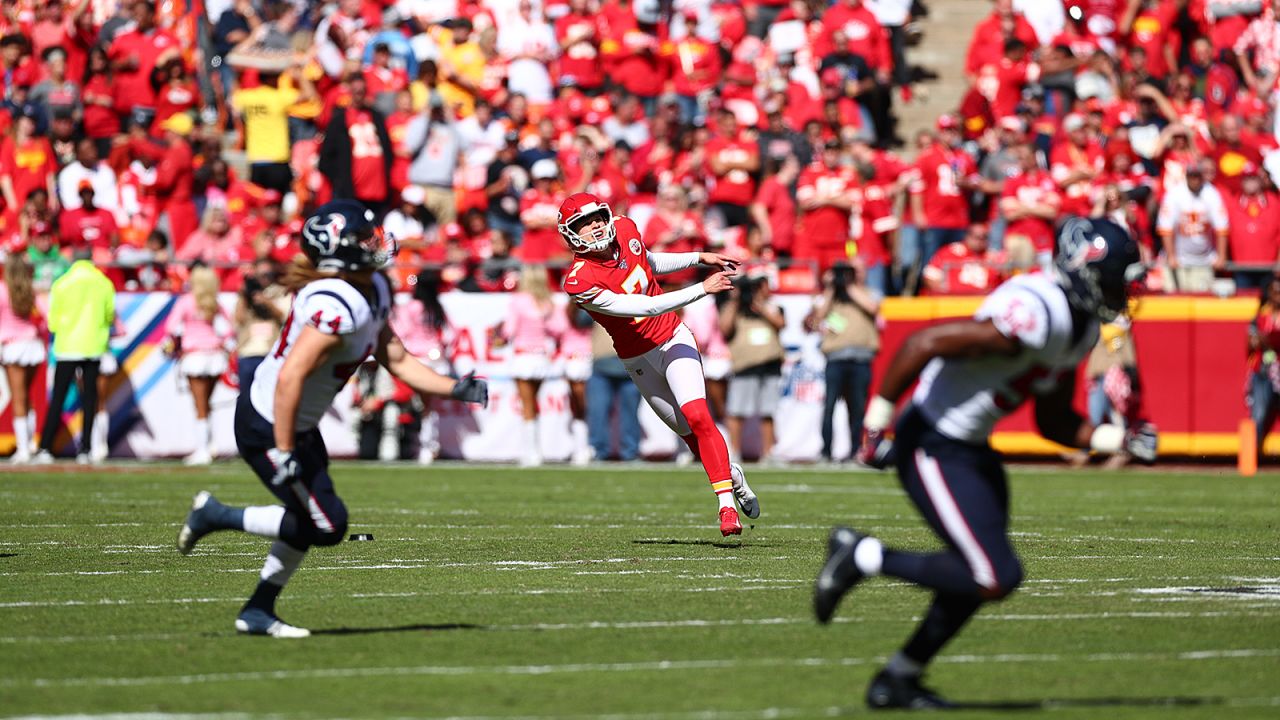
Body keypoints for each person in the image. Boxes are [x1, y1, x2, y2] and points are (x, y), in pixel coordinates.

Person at [813, 218, 1157, 708]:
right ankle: (861, 556)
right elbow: (921, 344)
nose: (1123, 290)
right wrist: (875, 426)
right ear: (1086, 269)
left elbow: (1055, 422)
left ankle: (899, 678)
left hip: (969, 450)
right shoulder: (1037, 309)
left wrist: (1122, 438)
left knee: (985, 574)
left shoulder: (1080, 326)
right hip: (931, 441)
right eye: (1117, 277)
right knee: (992, 574)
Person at [176, 200, 489, 638]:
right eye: (365, 238)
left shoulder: (373, 288)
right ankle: (215, 515)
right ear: (340, 251)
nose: (376, 243)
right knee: (326, 523)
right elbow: (290, 377)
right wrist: (284, 450)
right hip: (269, 421)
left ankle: (257, 611)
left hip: (294, 421)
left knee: (316, 520)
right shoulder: (336, 302)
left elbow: (395, 356)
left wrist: (452, 386)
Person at [559, 192, 759, 535]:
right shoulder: (580, 280)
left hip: (672, 337)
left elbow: (648, 260)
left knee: (698, 415)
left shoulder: (624, 228)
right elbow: (645, 306)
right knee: (689, 434)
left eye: (596, 218)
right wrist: (702, 288)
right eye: (583, 223)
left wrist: (699, 256)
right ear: (571, 233)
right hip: (636, 355)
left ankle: (727, 508)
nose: (594, 226)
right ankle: (732, 474)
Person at [34, 248, 115, 464]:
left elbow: (53, 320)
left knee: (58, 398)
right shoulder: (103, 283)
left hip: (67, 346)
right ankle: (85, 449)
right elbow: (109, 315)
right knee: (90, 399)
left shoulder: (62, 283)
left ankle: (45, 448)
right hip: (94, 346)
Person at [807, 263, 881, 463]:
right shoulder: (830, 298)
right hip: (835, 359)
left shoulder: (869, 292)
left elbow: (873, 307)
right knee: (829, 406)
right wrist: (831, 288)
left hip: (861, 359)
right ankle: (826, 452)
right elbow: (817, 318)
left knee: (857, 408)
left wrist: (849, 286)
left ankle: (856, 450)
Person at [165, 264, 235, 466]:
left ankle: (202, 449)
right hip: (214, 356)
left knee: (200, 405)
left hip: (195, 357)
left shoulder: (186, 302)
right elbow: (229, 330)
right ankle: (209, 445)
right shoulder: (214, 302)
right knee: (207, 404)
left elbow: (171, 327)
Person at [495, 265, 560, 467]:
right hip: (541, 357)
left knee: (527, 405)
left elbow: (509, 330)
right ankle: (533, 450)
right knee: (534, 404)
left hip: (523, 357)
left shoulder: (518, 301)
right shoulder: (548, 302)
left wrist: (499, 337)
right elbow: (556, 330)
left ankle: (531, 452)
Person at [388, 269, 454, 465]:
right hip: (434, 360)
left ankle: (423, 446)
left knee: (418, 406)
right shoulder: (436, 307)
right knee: (426, 407)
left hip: (414, 362)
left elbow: (401, 332)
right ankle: (424, 445)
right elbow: (452, 335)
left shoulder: (410, 307)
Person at [720, 274, 786, 463]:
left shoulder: (771, 306)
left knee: (768, 411)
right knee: (737, 411)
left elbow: (780, 324)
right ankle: (734, 452)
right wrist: (735, 300)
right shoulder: (733, 308)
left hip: (770, 365)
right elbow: (724, 328)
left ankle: (768, 453)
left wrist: (759, 304)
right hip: (745, 366)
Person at [1, 254, 45, 464]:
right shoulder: (31, 291)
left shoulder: (2, 290)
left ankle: (23, 449)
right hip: (33, 345)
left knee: (18, 397)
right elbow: (46, 318)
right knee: (27, 397)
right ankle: (31, 444)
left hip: (13, 347)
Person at [1247, 275, 1280, 466]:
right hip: (1264, 371)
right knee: (1258, 413)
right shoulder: (1261, 317)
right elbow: (1251, 342)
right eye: (1275, 292)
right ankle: (1250, 458)